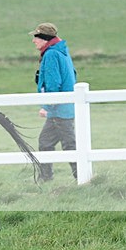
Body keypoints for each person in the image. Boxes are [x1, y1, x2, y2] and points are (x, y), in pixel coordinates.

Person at [29, 22, 77, 180]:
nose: (33, 41)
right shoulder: (61, 51)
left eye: (36, 37)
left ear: (44, 38)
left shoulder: (51, 55)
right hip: (65, 108)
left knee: (67, 145)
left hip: (59, 110)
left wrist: (48, 106)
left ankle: (81, 176)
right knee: (48, 143)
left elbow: (52, 83)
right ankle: (47, 178)